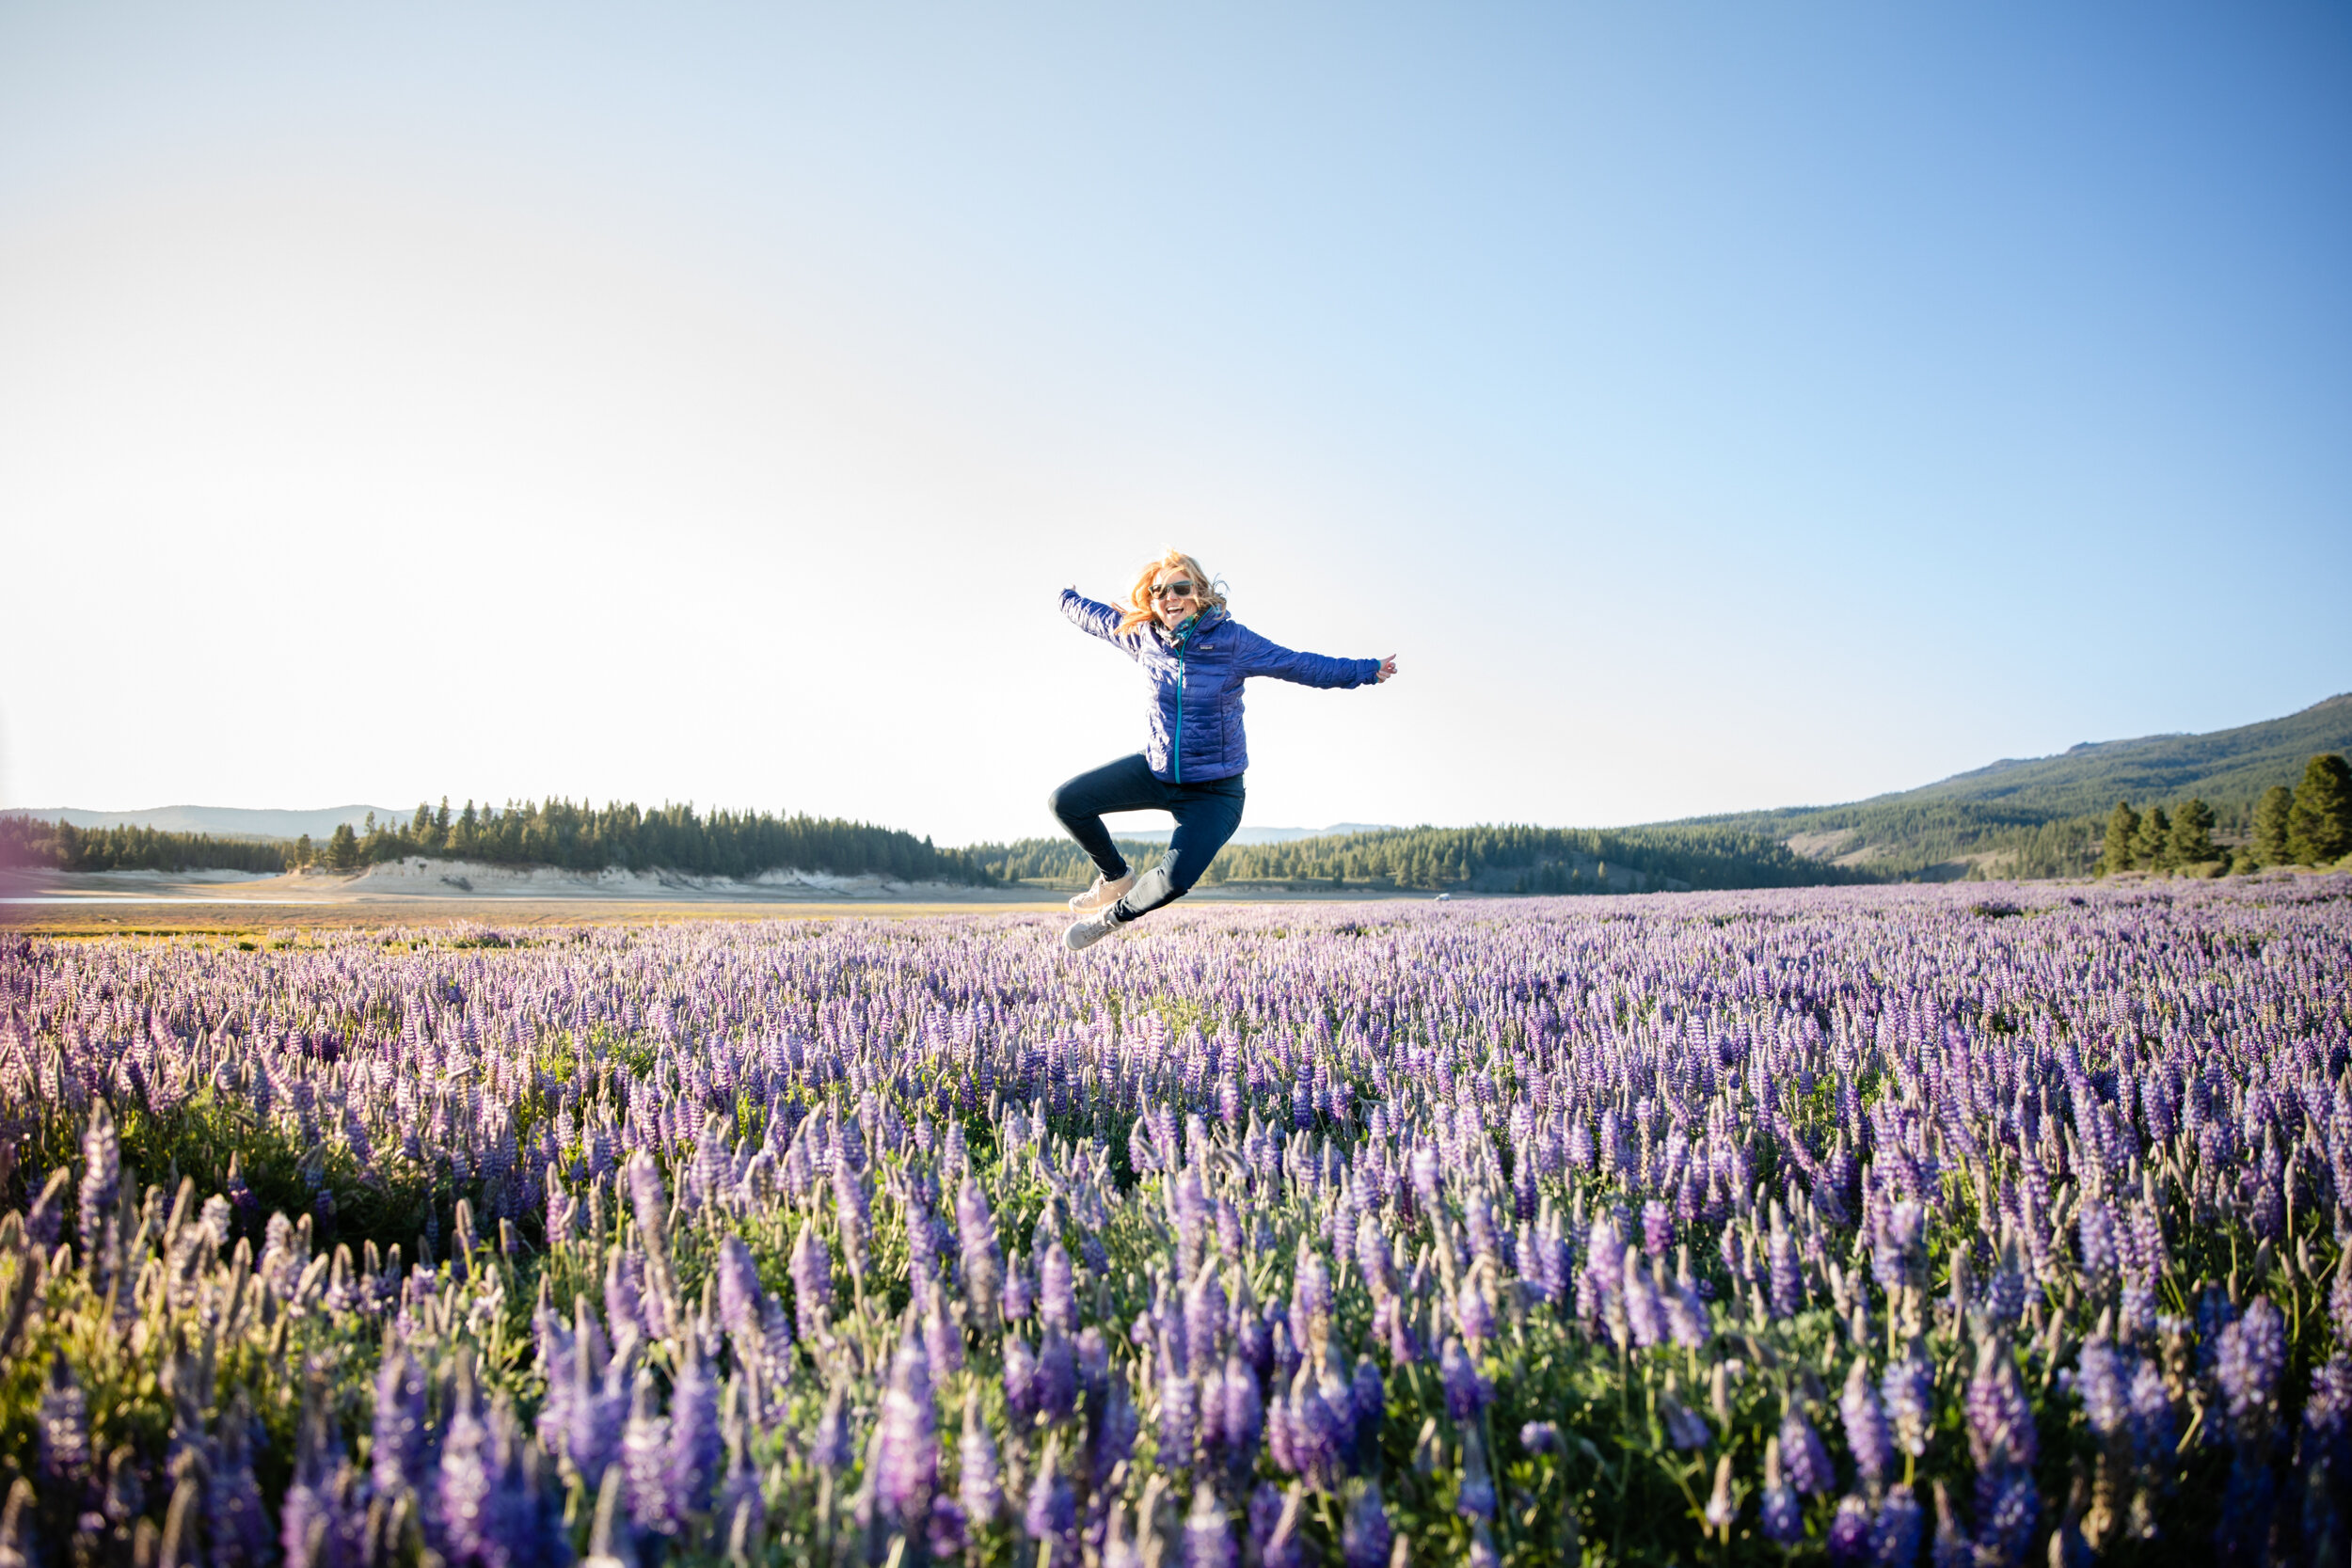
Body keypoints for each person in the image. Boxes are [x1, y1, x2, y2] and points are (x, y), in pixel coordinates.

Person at [1050, 549, 1396, 952]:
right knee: (1066, 802)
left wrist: (1366, 671)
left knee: (1175, 880)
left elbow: (1299, 664)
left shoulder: (1232, 642)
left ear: (1198, 592)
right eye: (1159, 590)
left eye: (1180, 588)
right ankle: (1115, 877)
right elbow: (1095, 618)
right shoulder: (1142, 636)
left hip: (1215, 792)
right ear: (1151, 598)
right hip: (1158, 771)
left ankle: (1111, 918)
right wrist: (1066, 598)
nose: (1170, 597)